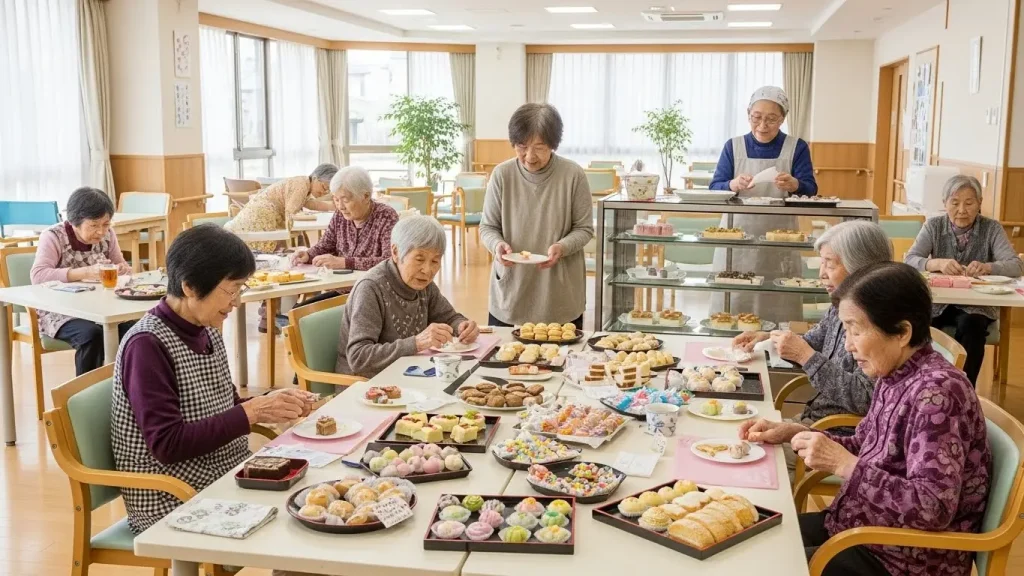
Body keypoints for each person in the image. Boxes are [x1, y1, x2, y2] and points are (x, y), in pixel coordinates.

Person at [741, 262, 991, 576]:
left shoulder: (938, 394)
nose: (848, 344)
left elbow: (932, 508)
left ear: (902, 332)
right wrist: (795, 433)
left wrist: (843, 464)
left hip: (904, 558)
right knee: (750, 538)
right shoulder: (895, 372)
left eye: (856, 330)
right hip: (861, 528)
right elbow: (865, 445)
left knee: (759, 564)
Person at [111, 224, 315, 534]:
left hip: (223, 473)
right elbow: (167, 445)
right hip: (173, 496)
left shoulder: (207, 331)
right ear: (190, 286)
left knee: (313, 506)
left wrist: (271, 406)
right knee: (302, 525)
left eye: (240, 289)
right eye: (231, 289)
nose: (235, 302)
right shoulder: (147, 345)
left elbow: (226, 408)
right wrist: (253, 412)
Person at [733, 221, 891, 431]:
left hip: (836, 436)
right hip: (811, 422)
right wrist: (768, 339)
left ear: (860, 267)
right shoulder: (840, 305)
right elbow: (808, 344)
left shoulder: (880, 321)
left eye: (830, 264)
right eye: (822, 264)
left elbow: (864, 399)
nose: (821, 274)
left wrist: (805, 356)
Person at [708, 86, 818, 322]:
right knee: (734, 299)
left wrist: (795, 184)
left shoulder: (796, 147)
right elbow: (715, 186)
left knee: (778, 299)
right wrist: (733, 184)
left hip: (780, 237)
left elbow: (811, 188)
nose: (762, 125)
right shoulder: (733, 146)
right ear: (748, 114)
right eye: (756, 117)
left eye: (771, 119)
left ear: (783, 119)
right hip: (735, 236)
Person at [480, 103, 594, 328]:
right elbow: (487, 227)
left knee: (560, 360)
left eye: (539, 147)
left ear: (553, 145)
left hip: (559, 293)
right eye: (522, 146)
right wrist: (497, 245)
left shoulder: (573, 175)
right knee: (503, 358)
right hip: (511, 291)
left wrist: (562, 247)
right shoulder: (502, 175)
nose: (529, 156)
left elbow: (584, 228)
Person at [905, 174, 1023, 384]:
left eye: (969, 203)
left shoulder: (992, 228)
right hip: (938, 301)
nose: (962, 210)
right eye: (955, 202)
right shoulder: (933, 226)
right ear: (944, 204)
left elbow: (1016, 265)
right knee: (921, 325)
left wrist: (988, 267)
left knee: (972, 325)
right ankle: (925, 384)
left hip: (977, 303)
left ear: (979, 204)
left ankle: (963, 388)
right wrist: (936, 263)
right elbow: (910, 259)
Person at [335, 216, 478, 379]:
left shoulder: (424, 285)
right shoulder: (371, 288)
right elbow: (359, 357)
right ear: (395, 252)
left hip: (410, 375)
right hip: (365, 385)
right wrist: (416, 343)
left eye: (435, 261)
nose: (427, 270)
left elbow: (448, 317)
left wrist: (461, 327)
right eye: (419, 259)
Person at [29, 187, 134, 375]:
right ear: (74, 221)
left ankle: (122, 388)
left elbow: (120, 264)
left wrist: (124, 269)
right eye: (94, 225)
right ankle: (85, 395)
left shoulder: (108, 235)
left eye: (106, 224)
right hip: (60, 311)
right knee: (91, 335)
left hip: (100, 307)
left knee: (134, 329)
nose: (101, 232)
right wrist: (82, 272)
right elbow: (38, 275)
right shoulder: (53, 236)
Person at [290, 165, 399, 308]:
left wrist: (344, 262)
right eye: (335, 199)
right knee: (299, 313)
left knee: (307, 317)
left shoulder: (386, 216)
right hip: (343, 292)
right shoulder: (340, 215)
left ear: (366, 196)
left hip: (373, 296)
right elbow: (325, 245)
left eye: (345, 200)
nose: (340, 206)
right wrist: (308, 254)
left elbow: (389, 262)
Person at [224, 163, 337, 253]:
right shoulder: (301, 186)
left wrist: (333, 206)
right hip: (262, 213)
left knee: (267, 248)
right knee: (266, 248)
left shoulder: (303, 184)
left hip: (261, 209)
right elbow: (291, 213)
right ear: (316, 178)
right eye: (324, 187)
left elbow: (311, 204)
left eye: (328, 191)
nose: (324, 192)